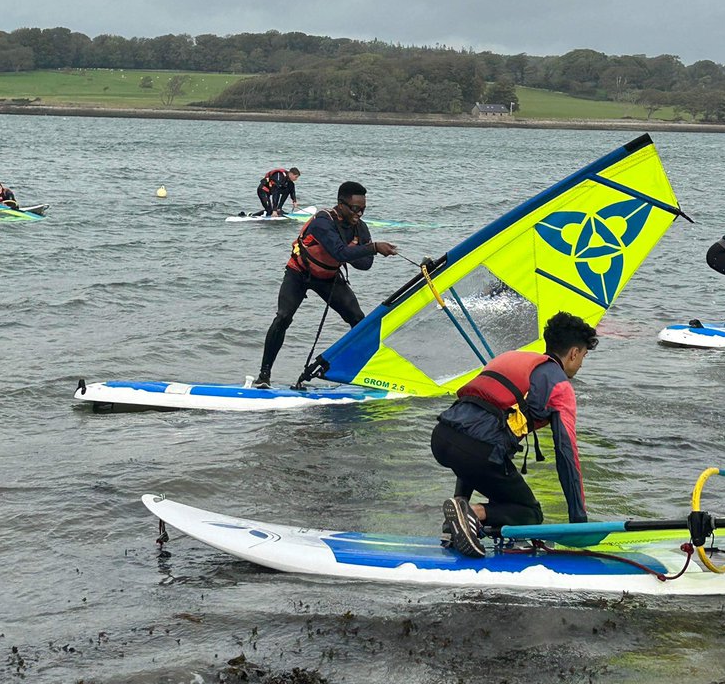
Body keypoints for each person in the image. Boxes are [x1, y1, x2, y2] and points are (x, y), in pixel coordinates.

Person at [432, 311, 599, 559]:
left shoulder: (510, 358)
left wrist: (460, 499)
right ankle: (473, 514)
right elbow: (567, 457)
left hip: (442, 437)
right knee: (530, 513)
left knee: (476, 450)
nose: (581, 364)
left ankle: (456, 522)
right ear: (574, 353)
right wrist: (579, 524)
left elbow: (470, 423)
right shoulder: (560, 388)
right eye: (583, 356)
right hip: (477, 450)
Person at [253, 181, 398, 387]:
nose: (360, 214)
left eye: (363, 209)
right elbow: (340, 253)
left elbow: (365, 264)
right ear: (341, 204)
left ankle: (370, 374)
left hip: (328, 278)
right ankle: (264, 375)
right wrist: (370, 247)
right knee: (283, 317)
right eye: (356, 209)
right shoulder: (323, 221)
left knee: (359, 321)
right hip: (299, 274)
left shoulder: (360, 228)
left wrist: (357, 250)